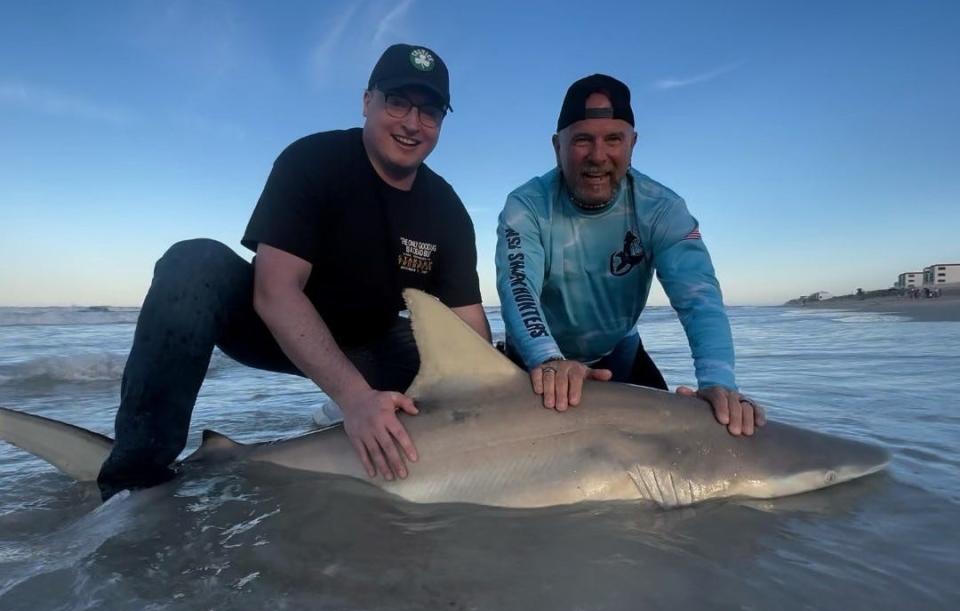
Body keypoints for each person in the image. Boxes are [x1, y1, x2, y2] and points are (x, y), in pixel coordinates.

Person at [97, 43, 490, 499]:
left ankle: (341, 422)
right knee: (193, 263)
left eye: (429, 112)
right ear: (367, 102)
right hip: (272, 326)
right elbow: (275, 291)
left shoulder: (446, 209)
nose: (411, 123)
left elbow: (468, 326)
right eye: (397, 102)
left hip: (372, 344)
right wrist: (356, 398)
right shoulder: (313, 161)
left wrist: (513, 383)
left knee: (485, 373)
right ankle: (136, 475)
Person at [495, 73, 764, 436]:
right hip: (535, 358)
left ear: (632, 143)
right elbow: (518, 286)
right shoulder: (526, 206)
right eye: (582, 140)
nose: (598, 156)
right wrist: (547, 359)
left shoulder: (661, 209)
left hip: (618, 352)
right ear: (557, 146)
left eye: (613, 139)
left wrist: (718, 381)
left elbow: (699, 297)